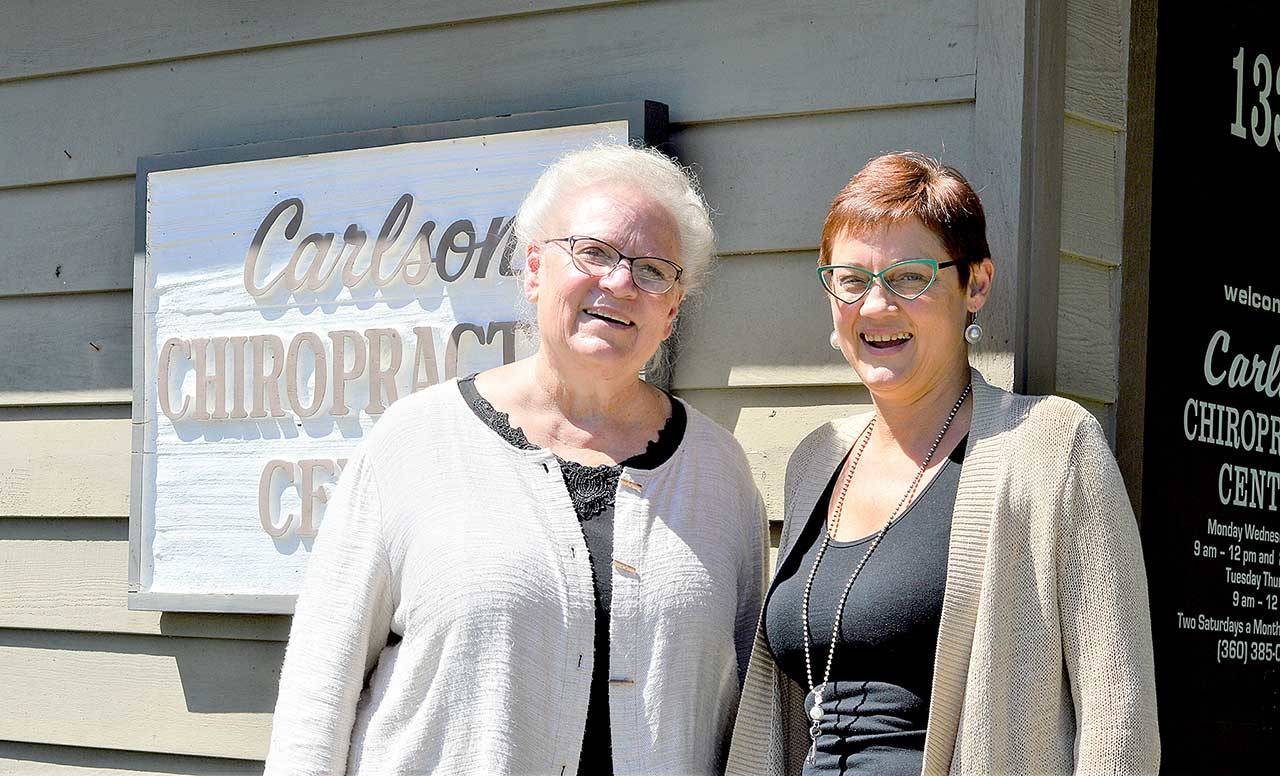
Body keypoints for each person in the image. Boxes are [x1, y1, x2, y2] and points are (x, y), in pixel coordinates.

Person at [265, 144, 767, 776]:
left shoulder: (718, 472)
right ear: (534, 269)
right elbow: (320, 683)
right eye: (594, 252)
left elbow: (753, 710)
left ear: (671, 310)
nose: (618, 282)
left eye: (652, 270)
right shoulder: (414, 442)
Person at [726, 152, 1159, 775]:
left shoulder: (1052, 447)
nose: (875, 306)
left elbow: (1118, 714)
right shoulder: (816, 461)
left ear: (975, 284)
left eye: (908, 277)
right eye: (850, 280)